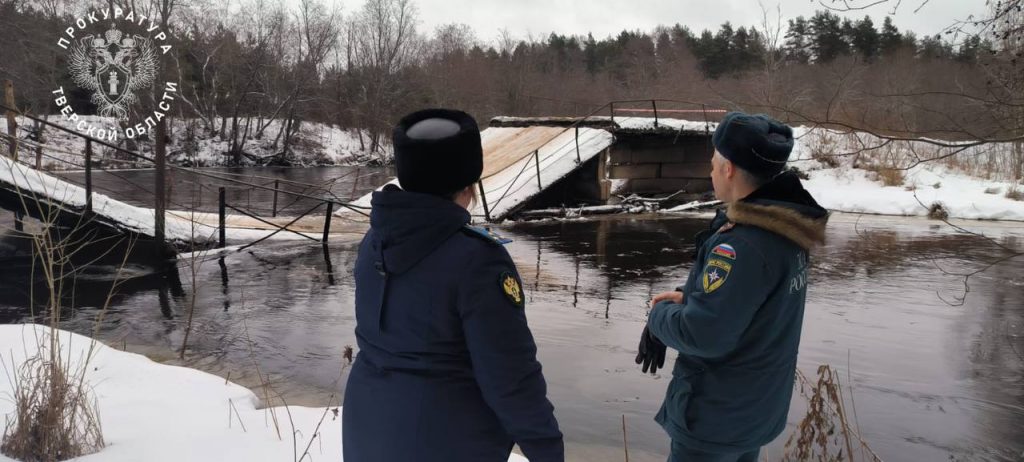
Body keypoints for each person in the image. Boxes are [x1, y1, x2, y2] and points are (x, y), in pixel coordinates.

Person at [342, 108, 564, 462]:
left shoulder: (376, 239)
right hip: (448, 438)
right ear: (467, 182)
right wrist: (547, 448)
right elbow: (510, 377)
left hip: (369, 425)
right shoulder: (477, 259)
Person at [635, 112, 829, 462]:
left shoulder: (740, 246)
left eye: (713, 165)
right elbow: (757, 305)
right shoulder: (787, 230)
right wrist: (691, 296)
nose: (710, 173)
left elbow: (704, 335)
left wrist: (658, 317)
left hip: (715, 416)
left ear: (729, 169)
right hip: (752, 411)